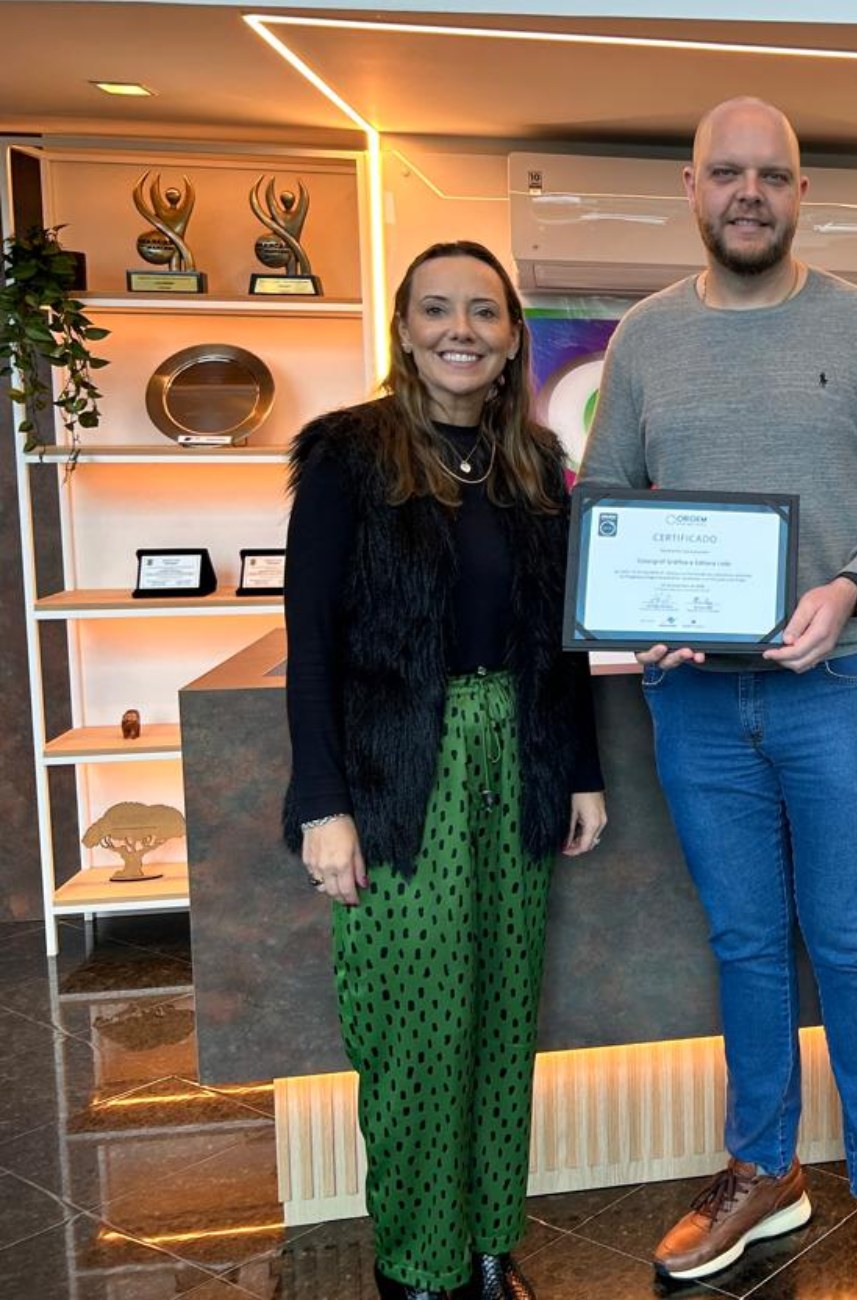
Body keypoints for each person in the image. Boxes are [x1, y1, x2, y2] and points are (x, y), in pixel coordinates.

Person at [578, 97, 857, 1300]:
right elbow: (605, 497)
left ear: (801, 194)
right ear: (691, 190)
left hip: (837, 687)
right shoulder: (645, 336)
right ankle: (763, 1165)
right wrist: (637, 612)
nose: (748, 193)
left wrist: (851, 586)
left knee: (849, 939)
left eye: (771, 175)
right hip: (694, 704)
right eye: (726, 172)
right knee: (742, 941)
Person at [283, 239, 607, 1300]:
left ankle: (487, 1243)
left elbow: (561, 636)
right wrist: (322, 806)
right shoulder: (346, 456)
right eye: (436, 309)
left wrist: (582, 770)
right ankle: (419, 1266)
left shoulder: (536, 466)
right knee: (414, 1030)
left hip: (518, 763)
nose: (459, 329)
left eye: (482, 311)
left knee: (504, 1020)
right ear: (404, 330)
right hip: (394, 777)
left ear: (512, 339)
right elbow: (309, 642)